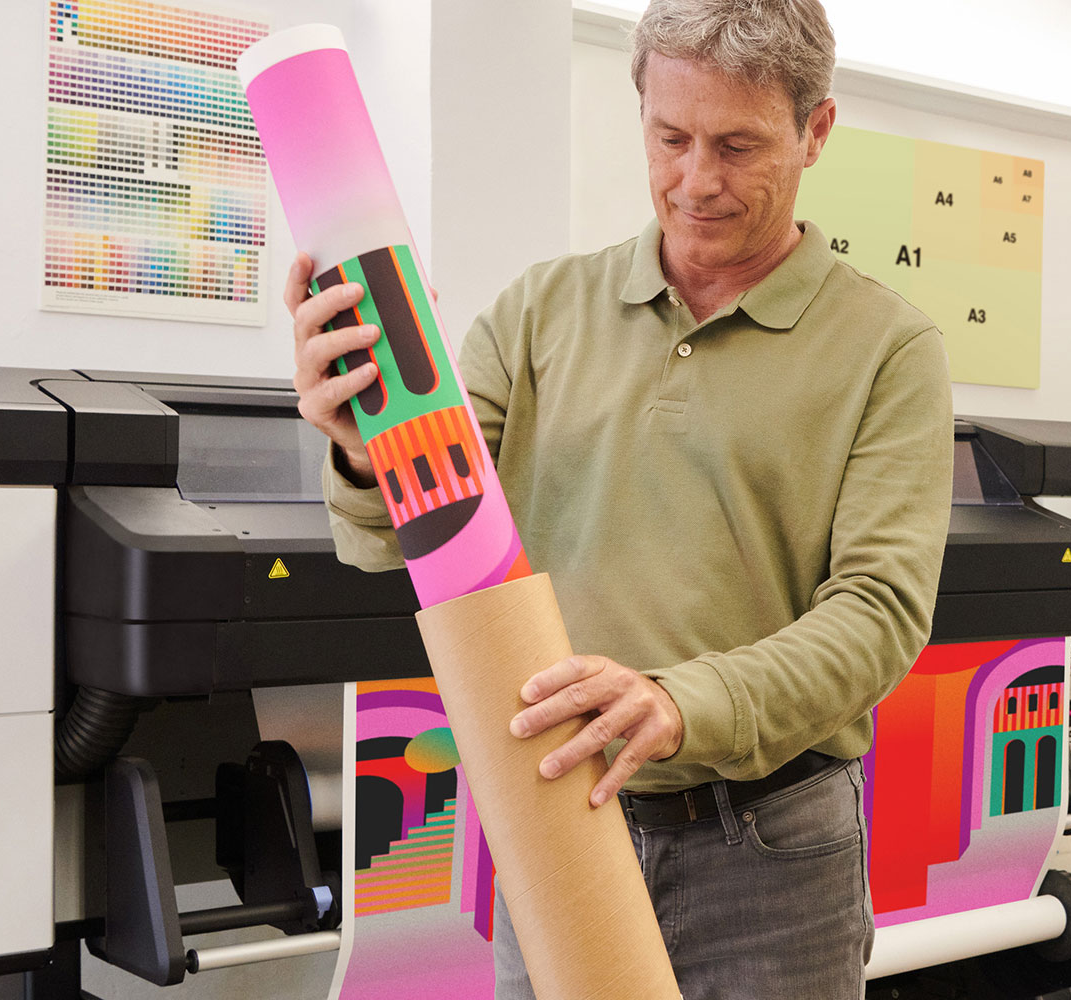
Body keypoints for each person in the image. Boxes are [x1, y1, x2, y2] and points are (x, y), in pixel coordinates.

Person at [284, 1, 951, 996]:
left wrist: (680, 703)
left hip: (774, 849)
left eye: (738, 145)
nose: (695, 181)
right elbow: (412, 541)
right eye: (671, 137)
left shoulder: (889, 349)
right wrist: (360, 448)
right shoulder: (535, 314)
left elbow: (878, 616)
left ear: (815, 132)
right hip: (562, 819)